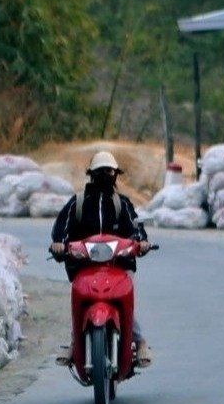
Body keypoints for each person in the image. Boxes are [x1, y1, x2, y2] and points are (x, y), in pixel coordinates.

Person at [50, 151, 154, 366]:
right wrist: (59, 244)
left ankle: (140, 341)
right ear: (92, 174)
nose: (105, 175)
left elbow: (136, 227)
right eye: (100, 171)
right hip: (83, 265)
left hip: (118, 264)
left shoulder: (122, 203)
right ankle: (74, 342)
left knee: (125, 299)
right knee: (80, 297)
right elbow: (61, 228)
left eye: (109, 171)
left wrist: (142, 242)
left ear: (116, 174)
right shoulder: (77, 203)